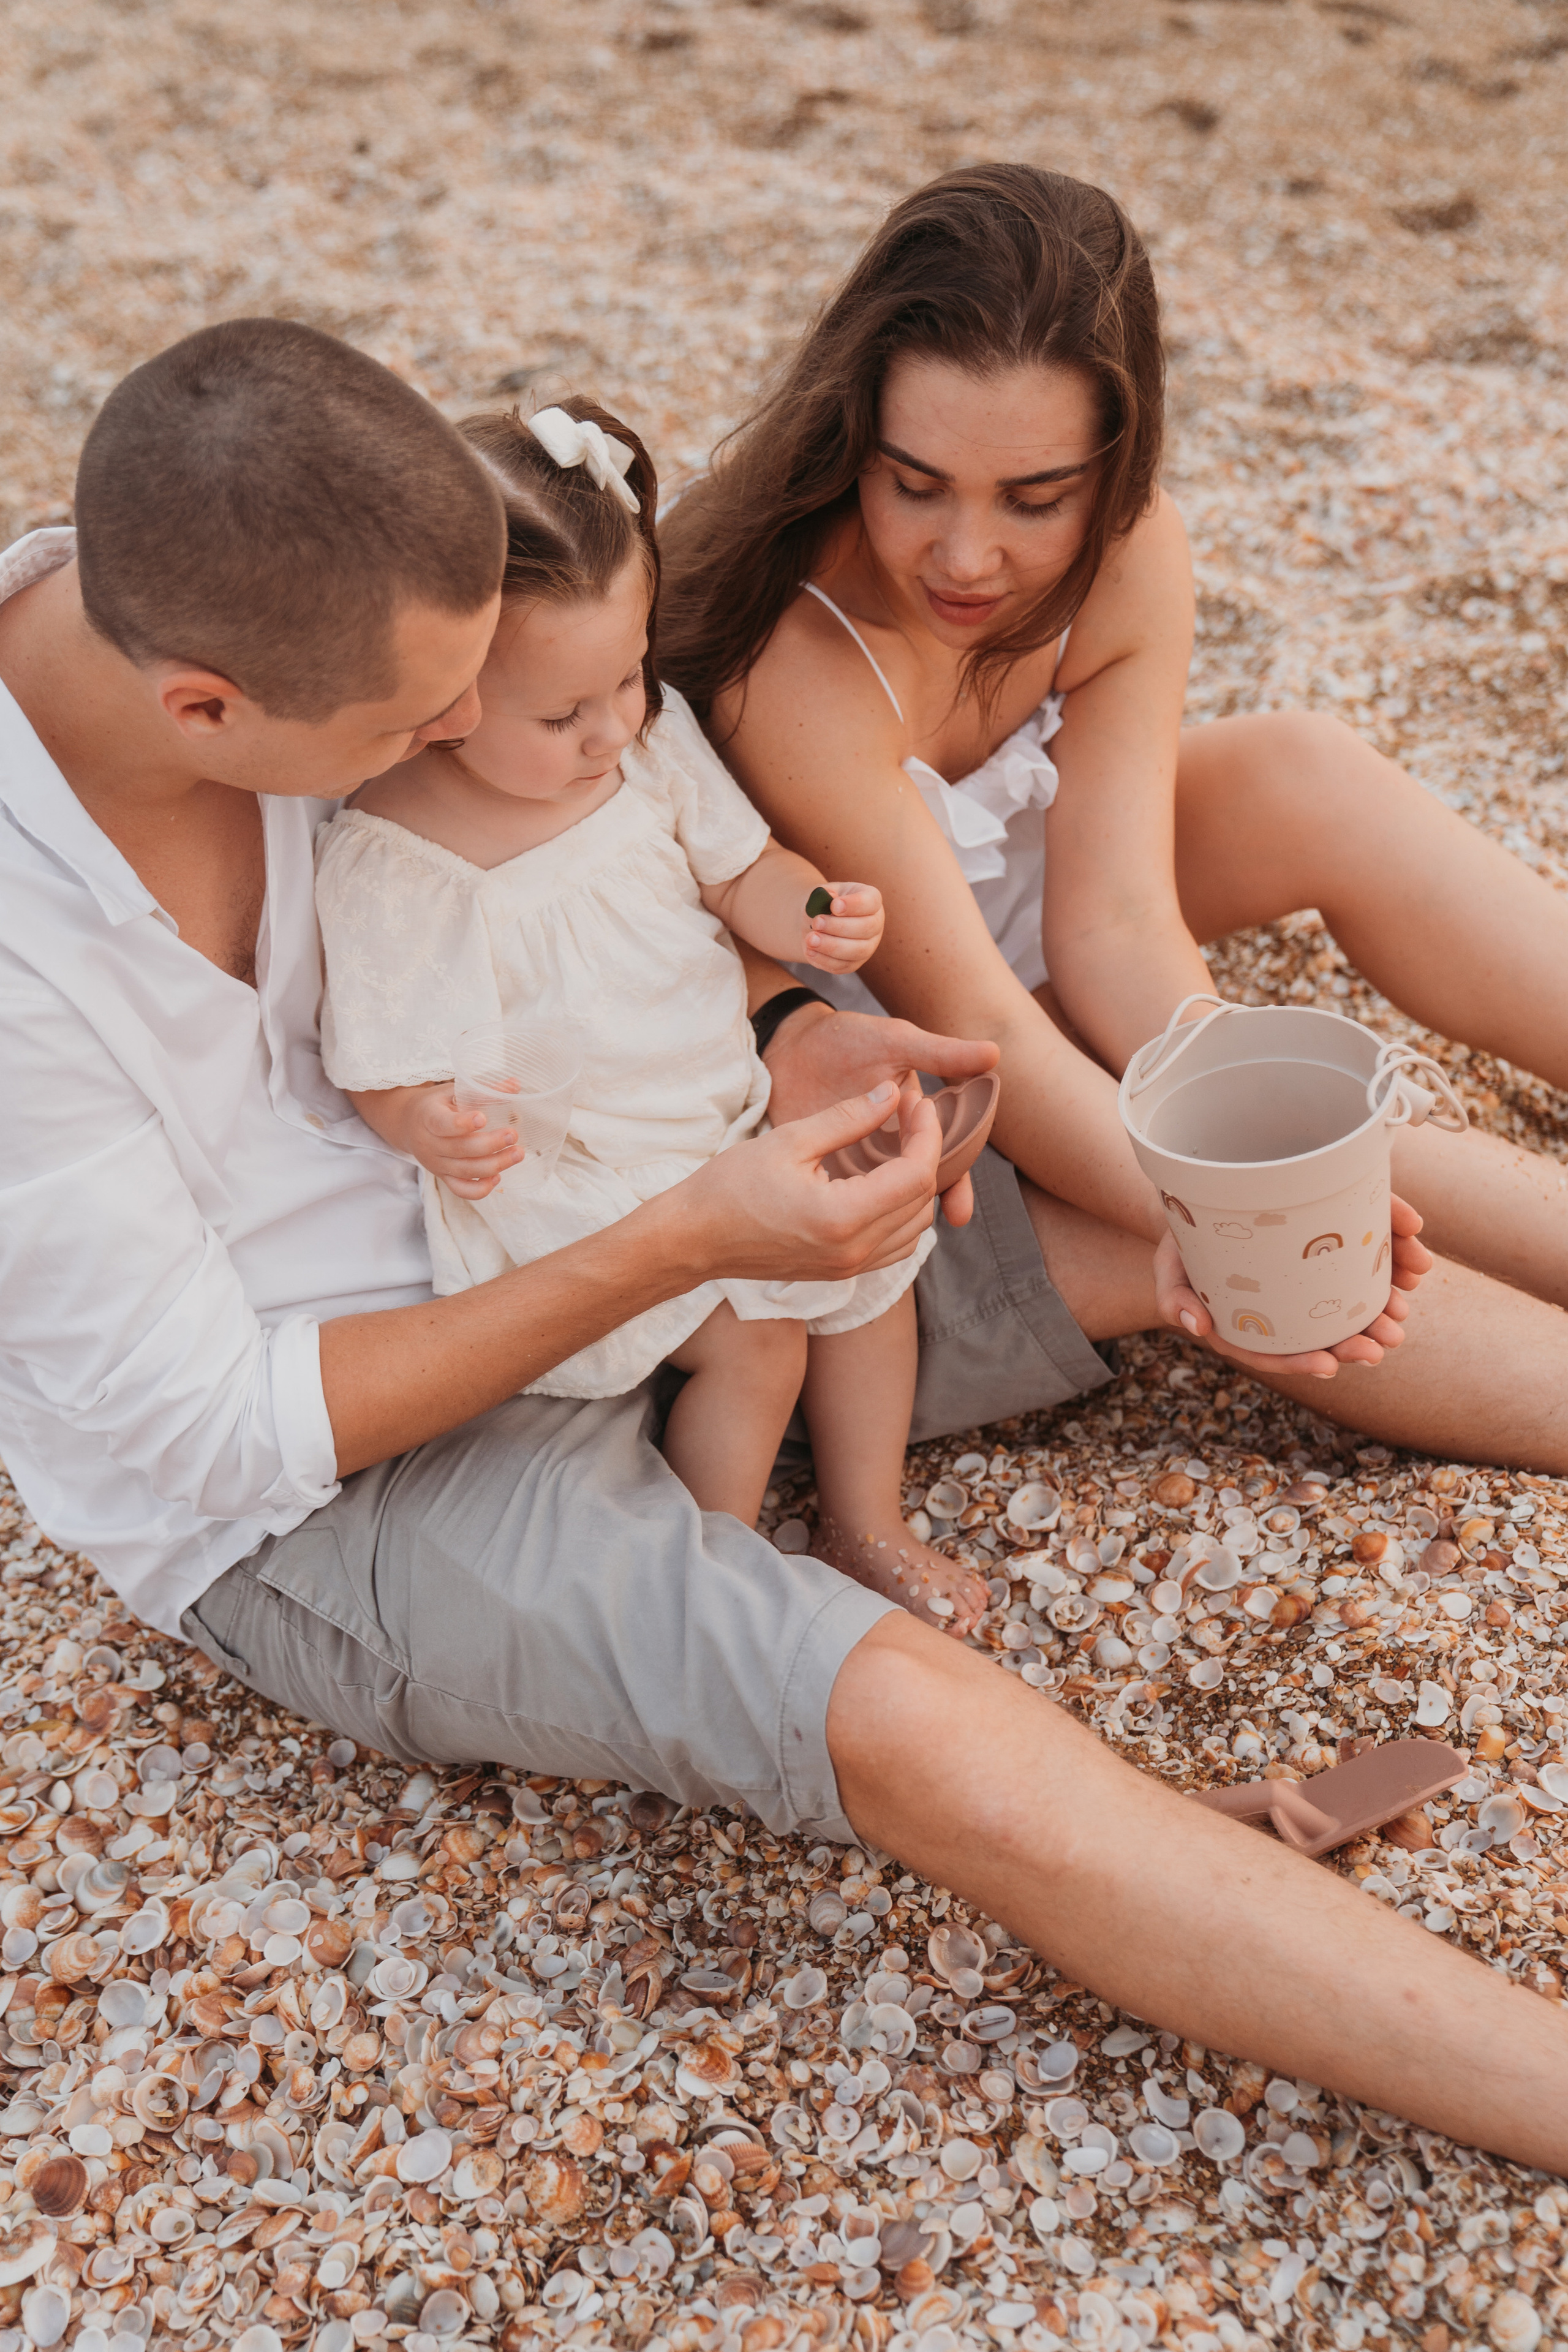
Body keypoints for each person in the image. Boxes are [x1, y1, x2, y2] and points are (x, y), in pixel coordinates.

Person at [0, 318, 1563, 2175]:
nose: (460, 739)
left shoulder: (279, 582)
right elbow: (215, 1434)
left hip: (617, 1198)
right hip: (347, 1481)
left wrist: (780, 1031)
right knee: (911, 1718)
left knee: (1186, 1251)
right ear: (206, 717)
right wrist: (682, 1240)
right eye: (420, 729)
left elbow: (595, 864)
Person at [660, 162, 1568, 1474]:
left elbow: (1119, 922)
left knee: (1298, 777)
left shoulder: (1135, 549)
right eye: (914, 483)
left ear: (1115, 459)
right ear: (853, 433)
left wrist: (1229, 1112)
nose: (966, 558)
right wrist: (1233, 1208)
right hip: (854, 996)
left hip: (1020, 935)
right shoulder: (792, 651)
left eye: (1034, 499)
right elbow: (975, 1022)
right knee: (1300, 1220)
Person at [315, 397, 986, 1632]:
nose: (611, 727)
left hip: (721, 1102)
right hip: (581, 1170)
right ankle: (710, 1589)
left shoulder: (645, 741)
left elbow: (736, 870)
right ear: (444, 692)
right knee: (754, 1339)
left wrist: (811, 911)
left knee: (878, 1265)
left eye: (627, 676)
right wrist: (424, 1123)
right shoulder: (393, 853)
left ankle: (864, 1521)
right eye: (564, 713)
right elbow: (378, 1053)